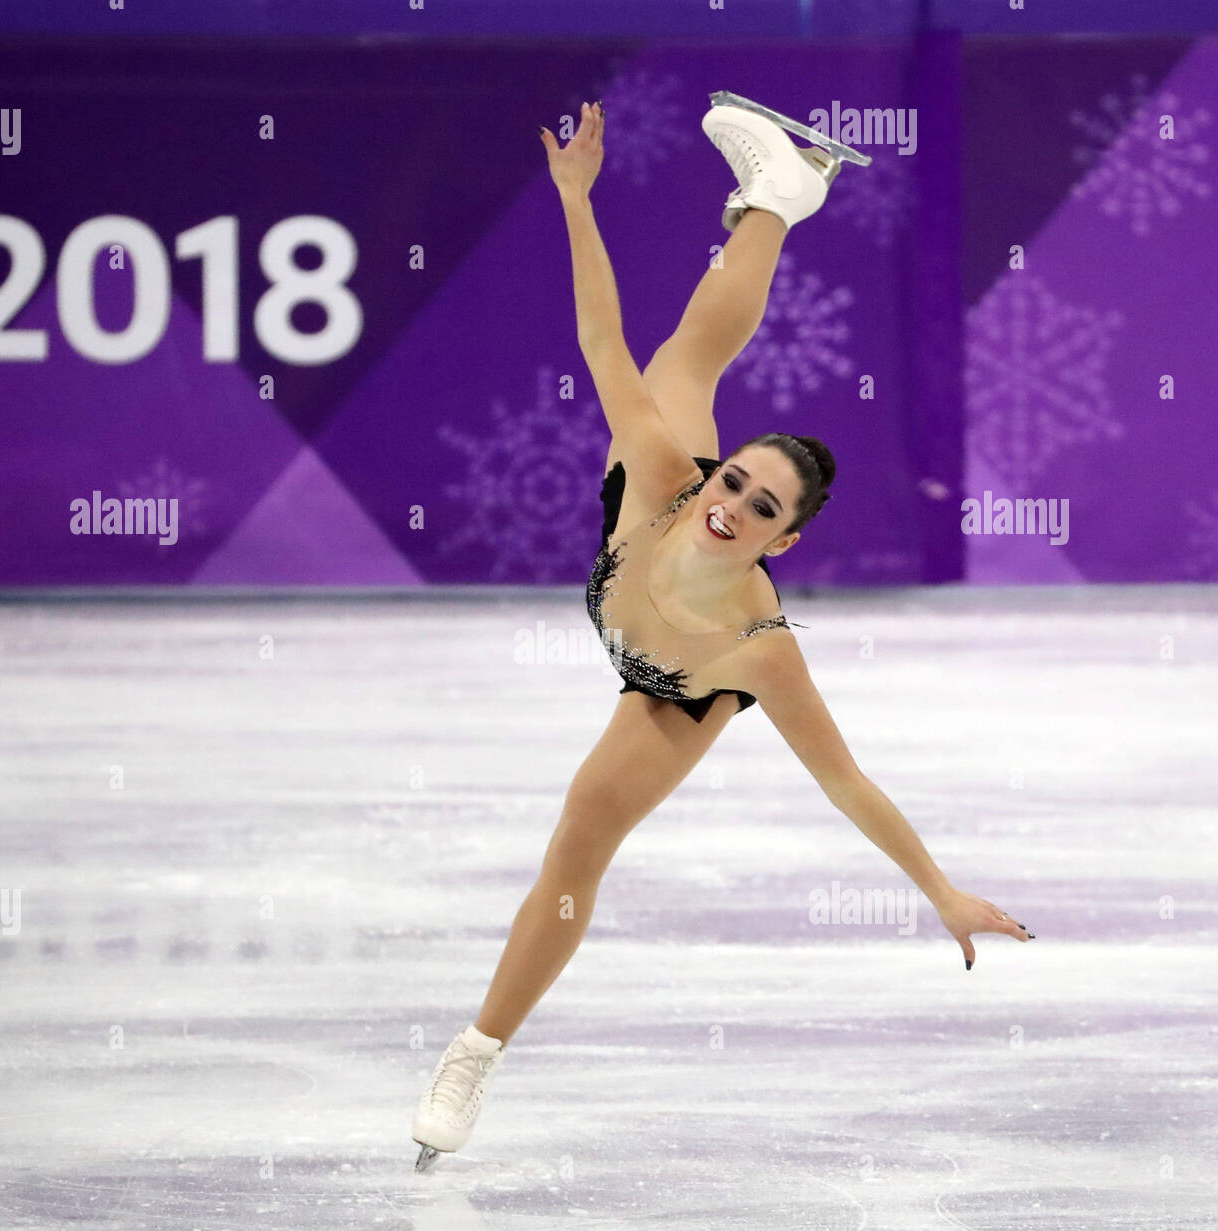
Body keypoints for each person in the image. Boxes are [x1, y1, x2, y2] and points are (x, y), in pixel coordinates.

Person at [411, 95, 1033, 1172]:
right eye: (735, 476)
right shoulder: (667, 480)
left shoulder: (759, 649)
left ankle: (475, 1051)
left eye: (756, 507)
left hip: (670, 684)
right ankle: (780, 202)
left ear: (780, 545)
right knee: (678, 366)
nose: (730, 500)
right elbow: (596, 334)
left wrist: (939, 891)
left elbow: (848, 785)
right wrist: (573, 200)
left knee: (577, 843)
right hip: (631, 544)